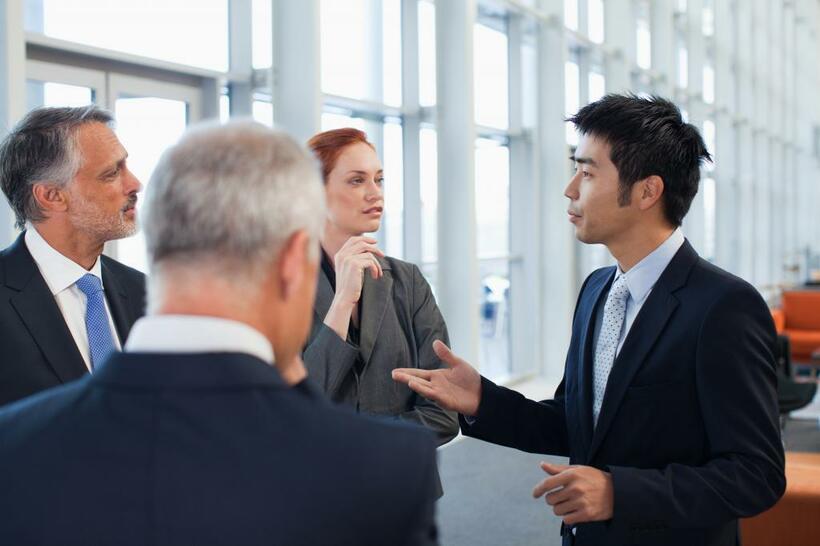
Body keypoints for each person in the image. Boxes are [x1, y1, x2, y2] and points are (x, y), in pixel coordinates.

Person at [0, 120, 438, 546]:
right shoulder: (384, 468)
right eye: (113, 171)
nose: (133, 183)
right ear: (292, 262)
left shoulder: (15, 442)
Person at [394, 94, 785, 546]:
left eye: (587, 171)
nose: (570, 187)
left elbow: (756, 474)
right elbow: (578, 424)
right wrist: (483, 398)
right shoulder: (599, 290)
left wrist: (621, 493)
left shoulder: (723, 307)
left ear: (647, 191)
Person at [303, 129, 458, 447]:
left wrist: (352, 442)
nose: (376, 194)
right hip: (313, 491)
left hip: (399, 486)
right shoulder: (279, 288)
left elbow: (444, 413)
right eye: (357, 180)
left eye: (379, 179)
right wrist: (343, 302)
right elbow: (293, 410)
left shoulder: (408, 281)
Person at [0, 106, 146, 406]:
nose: (134, 184)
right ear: (52, 196)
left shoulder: (145, 292)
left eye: (126, 166)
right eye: (111, 173)